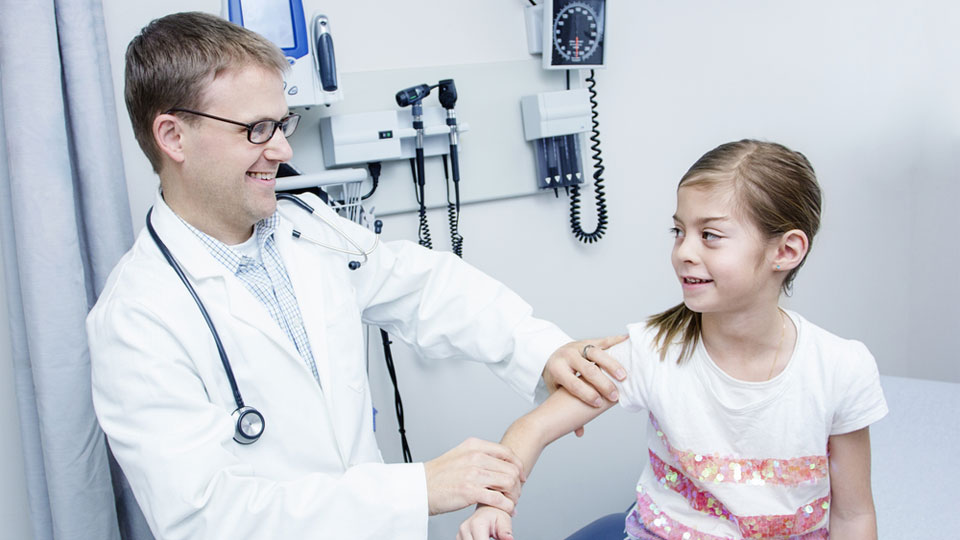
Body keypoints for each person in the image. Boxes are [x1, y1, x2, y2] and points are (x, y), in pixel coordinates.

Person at [86, 11, 627, 540]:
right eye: (256, 129)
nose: (283, 149)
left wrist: (542, 351)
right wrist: (418, 489)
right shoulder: (135, 320)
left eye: (282, 122)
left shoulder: (306, 227)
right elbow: (206, 521)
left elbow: (423, 287)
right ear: (173, 137)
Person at [458, 140, 888, 540]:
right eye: (678, 231)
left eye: (710, 235)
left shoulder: (840, 369)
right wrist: (494, 504)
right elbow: (531, 430)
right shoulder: (651, 352)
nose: (684, 251)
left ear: (786, 251)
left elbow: (853, 514)